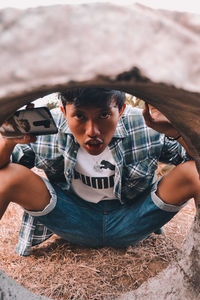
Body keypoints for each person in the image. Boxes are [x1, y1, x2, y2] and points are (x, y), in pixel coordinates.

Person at [0, 88, 199, 257]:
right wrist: (9, 141)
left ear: (120, 110)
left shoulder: (145, 125)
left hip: (132, 219)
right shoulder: (47, 128)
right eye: (80, 116)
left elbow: (194, 160)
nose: (92, 131)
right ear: (63, 111)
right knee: (7, 176)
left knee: (195, 173)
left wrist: (178, 133)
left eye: (103, 115)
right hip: (72, 218)